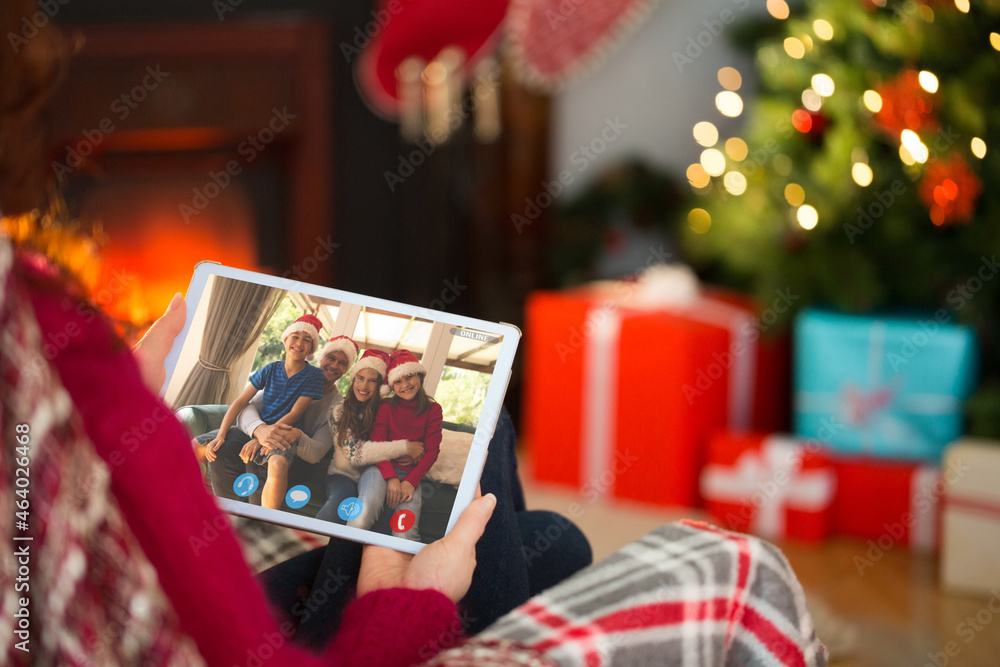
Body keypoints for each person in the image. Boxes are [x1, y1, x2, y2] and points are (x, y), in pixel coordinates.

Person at [207, 334, 357, 505]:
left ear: (346, 370)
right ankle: (229, 514)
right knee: (223, 448)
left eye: (342, 363)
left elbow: (316, 453)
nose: (334, 366)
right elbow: (247, 407)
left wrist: (296, 435)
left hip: (296, 460)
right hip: (266, 441)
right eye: (331, 358)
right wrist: (259, 433)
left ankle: (259, 523)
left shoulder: (338, 408)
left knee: (262, 460)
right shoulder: (288, 377)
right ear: (321, 358)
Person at [204, 313, 326, 509]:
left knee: (276, 462)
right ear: (285, 340)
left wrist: (261, 437)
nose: (299, 343)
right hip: (259, 429)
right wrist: (221, 434)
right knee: (218, 449)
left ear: (312, 348)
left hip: (284, 433)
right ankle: (229, 512)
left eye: (307, 340)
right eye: (295, 336)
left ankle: (264, 521)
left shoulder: (314, 375)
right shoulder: (270, 369)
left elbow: (294, 414)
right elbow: (241, 401)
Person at [298, 348, 424, 524]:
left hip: (378, 478)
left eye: (372, 381)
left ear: (381, 386)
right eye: (360, 378)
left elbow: (418, 443)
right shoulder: (339, 411)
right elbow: (355, 454)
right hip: (342, 476)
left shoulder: (387, 411)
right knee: (343, 497)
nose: (364, 386)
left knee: (387, 511)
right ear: (353, 379)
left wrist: (411, 456)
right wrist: (404, 448)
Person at [348, 349, 441, 541]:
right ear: (391, 385)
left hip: (410, 474)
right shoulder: (385, 407)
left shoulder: (433, 410)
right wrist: (391, 478)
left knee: (405, 531)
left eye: (409, 378)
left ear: (420, 377)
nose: (405, 385)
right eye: (398, 381)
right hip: (380, 469)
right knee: (366, 509)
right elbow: (377, 444)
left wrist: (410, 482)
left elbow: (432, 451)